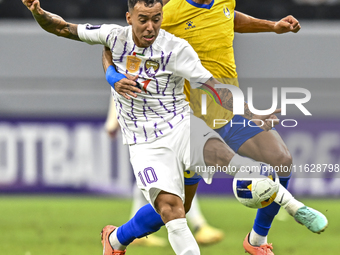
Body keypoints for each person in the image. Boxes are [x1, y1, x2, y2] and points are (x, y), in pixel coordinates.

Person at [21, 1, 328, 255]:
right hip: (149, 137)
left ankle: (268, 231)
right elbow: (99, 41)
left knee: (269, 160)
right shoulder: (162, 12)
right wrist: (112, 76)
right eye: (144, 20)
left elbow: (221, 35)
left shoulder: (180, 45)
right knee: (172, 209)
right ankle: (116, 238)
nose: (151, 26)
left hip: (196, 120)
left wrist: (270, 31)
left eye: (156, 20)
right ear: (131, 18)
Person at [105, 96, 224, 246]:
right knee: (173, 182)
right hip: (150, 125)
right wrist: (112, 119)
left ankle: (124, 235)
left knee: (160, 182)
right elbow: (121, 83)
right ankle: (199, 224)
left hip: (171, 120)